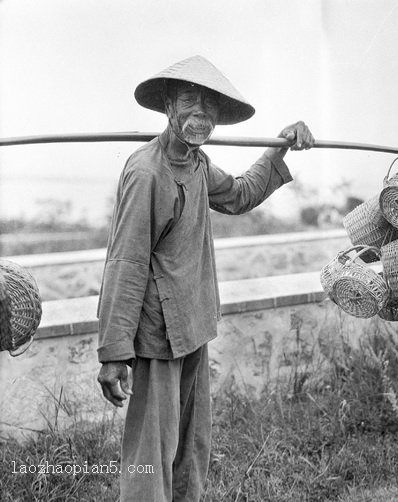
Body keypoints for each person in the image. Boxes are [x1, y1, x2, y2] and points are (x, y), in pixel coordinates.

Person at [96, 55, 314, 501]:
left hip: (194, 324)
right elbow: (126, 262)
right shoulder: (145, 172)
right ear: (169, 107)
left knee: (191, 449)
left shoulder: (197, 164)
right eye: (190, 103)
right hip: (158, 332)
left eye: (209, 107)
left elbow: (238, 194)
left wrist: (280, 147)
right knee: (150, 455)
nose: (200, 115)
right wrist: (114, 352)